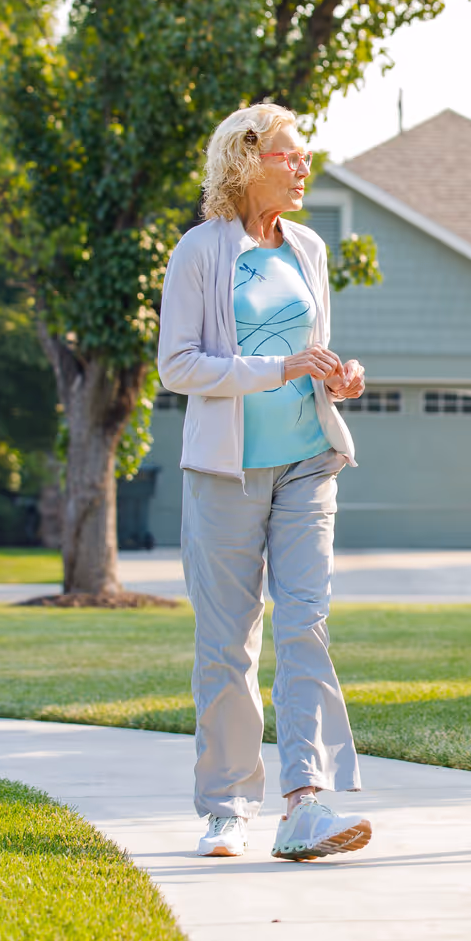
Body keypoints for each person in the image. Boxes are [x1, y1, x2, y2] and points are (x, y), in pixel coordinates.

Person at [158, 102, 373, 861]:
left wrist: (335, 375)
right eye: (290, 154)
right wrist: (276, 369)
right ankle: (225, 807)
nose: (302, 165)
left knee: (306, 623)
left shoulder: (307, 247)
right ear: (248, 162)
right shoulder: (201, 252)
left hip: (309, 459)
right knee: (227, 643)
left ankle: (304, 804)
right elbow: (178, 364)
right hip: (227, 469)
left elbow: (305, 346)